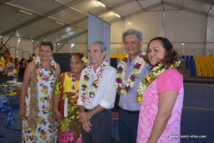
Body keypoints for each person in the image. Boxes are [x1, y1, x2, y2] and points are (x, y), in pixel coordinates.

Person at [136, 37, 183, 143]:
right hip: (150, 132)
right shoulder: (161, 73)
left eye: (156, 50)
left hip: (159, 137)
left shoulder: (169, 74)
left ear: (167, 52)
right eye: (149, 50)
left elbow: (164, 114)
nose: (151, 54)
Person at [18, 41, 61, 142]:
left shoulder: (56, 67)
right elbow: (24, 87)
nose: (44, 53)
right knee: (32, 135)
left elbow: (58, 90)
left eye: (47, 51)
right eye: (41, 50)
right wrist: (21, 109)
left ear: (52, 52)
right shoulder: (31, 66)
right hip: (32, 109)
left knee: (48, 135)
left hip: (50, 110)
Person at [78, 41, 117, 143]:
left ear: (104, 53)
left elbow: (107, 101)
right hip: (85, 116)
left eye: (95, 51)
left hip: (101, 117)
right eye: (90, 51)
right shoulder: (85, 71)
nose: (91, 54)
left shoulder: (111, 72)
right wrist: (84, 117)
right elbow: (81, 96)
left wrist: (88, 115)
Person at [115, 29, 149, 143]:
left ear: (141, 43)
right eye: (126, 42)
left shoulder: (148, 63)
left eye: (133, 42)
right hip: (123, 113)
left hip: (139, 115)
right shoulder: (123, 63)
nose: (129, 45)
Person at [53, 53, 86, 143]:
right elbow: (56, 94)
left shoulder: (88, 79)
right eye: (71, 62)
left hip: (82, 120)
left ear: (83, 64)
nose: (73, 65)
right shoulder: (63, 77)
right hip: (66, 120)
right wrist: (55, 110)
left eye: (77, 62)